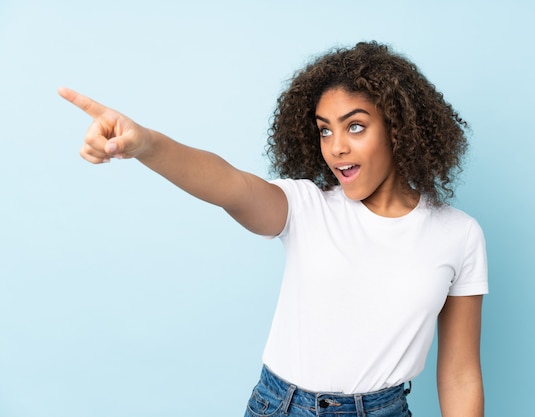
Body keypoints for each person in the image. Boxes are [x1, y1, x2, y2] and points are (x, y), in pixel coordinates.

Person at [59, 41, 488, 417]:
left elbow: (460, 374)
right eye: (324, 130)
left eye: (355, 126)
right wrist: (148, 144)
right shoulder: (306, 206)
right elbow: (229, 185)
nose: (336, 147)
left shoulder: (458, 235)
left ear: (398, 129)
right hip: (283, 407)